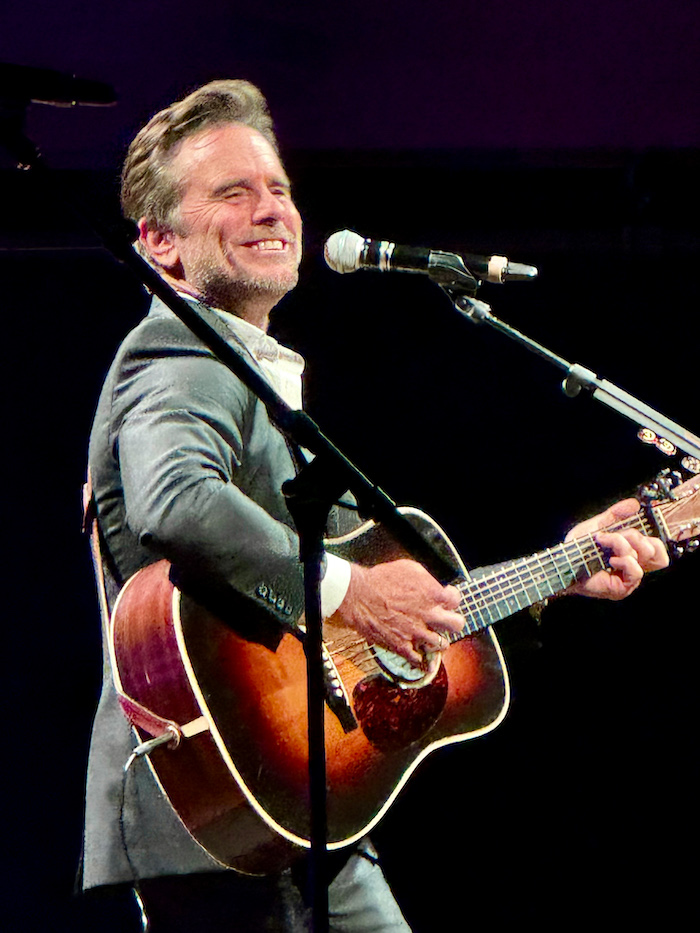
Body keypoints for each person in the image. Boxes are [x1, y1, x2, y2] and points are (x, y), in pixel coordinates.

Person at [81, 79, 668, 931]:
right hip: (218, 809)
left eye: (278, 187)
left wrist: (562, 569)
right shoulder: (178, 355)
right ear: (159, 243)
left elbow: (373, 625)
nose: (272, 209)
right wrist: (353, 591)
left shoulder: (247, 372)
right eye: (232, 192)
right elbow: (176, 502)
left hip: (296, 815)